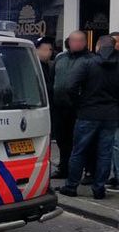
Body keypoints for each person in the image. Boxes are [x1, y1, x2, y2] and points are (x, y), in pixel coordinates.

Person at [58, 35, 119, 200]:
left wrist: (79, 103)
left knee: (79, 151)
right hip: (111, 115)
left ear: (98, 46)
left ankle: (71, 186)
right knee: (105, 153)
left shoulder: (88, 63)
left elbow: (70, 86)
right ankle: (99, 189)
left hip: (87, 113)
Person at [53, 30, 91, 183]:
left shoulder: (90, 60)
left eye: (80, 41)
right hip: (59, 107)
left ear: (85, 43)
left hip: (79, 108)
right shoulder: (60, 58)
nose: (77, 43)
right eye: (74, 40)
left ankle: (88, 171)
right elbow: (52, 77)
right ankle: (64, 168)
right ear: (69, 42)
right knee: (62, 140)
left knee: (82, 141)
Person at [35, 36, 55, 103]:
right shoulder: (34, 66)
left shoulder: (52, 65)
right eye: (45, 49)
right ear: (36, 50)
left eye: (50, 49)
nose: (49, 52)